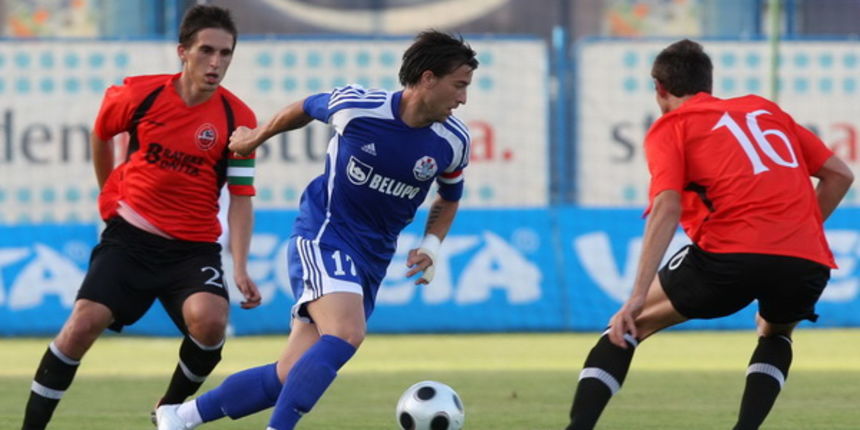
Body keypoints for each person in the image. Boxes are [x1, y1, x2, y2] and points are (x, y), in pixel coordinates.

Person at [154, 30, 478, 430]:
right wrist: (255, 137)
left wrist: (431, 245)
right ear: (428, 78)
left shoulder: (454, 141)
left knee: (287, 375)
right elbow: (306, 107)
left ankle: (178, 416)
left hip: (373, 257)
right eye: (459, 85)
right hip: (325, 234)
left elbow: (449, 195)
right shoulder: (359, 108)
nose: (463, 98)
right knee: (346, 333)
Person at [565, 39, 854, 430]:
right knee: (776, 334)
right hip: (807, 260)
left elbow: (666, 207)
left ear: (659, 88)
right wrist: (794, 232)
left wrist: (636, 296)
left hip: (728, 258)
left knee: (628, 327)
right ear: (708, 84)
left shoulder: (672, 126)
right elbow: (840, 175)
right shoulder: (763, 110)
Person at [21, 5, 262, 430]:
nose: (216, 62)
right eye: (206, 50)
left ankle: (168, 409)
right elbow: (101, 134)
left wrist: (239, 265)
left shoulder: (238, 119)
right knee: (81, 326)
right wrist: (109, 191)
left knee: (210, 323)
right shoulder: (139, 95)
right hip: (130, 239)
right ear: (182, 51)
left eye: (225, 53)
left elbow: (241, 196)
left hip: (193, 249)